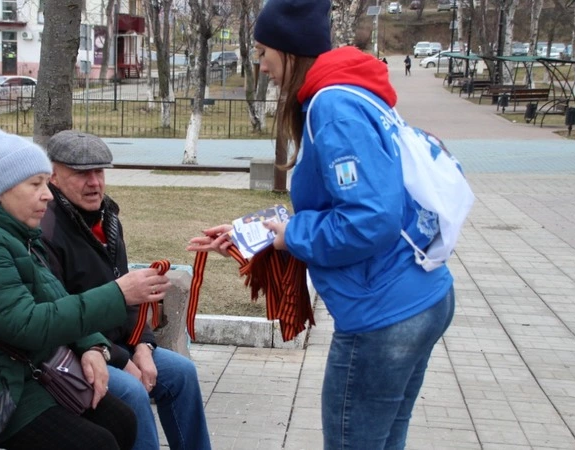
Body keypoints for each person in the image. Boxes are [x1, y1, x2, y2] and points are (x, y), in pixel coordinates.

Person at [187, 1, 455, 449]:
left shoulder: (333, 107)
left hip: (384, 313)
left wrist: (291, 235)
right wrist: (250, 230)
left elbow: (372, 218)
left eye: (262, 51)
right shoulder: (346, 93)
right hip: (415, 296)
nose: (261, 65)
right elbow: (342, 204)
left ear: (289, 49)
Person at [0, 128, 172, 450]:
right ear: (1, 190)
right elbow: (26, 324)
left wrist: (93, 347)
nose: (47, 194)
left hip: (14, 370)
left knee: (122, 419)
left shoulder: (13, 231)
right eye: (35, 184)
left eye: (46, 182)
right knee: (96, 443)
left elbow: (52, 293)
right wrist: (119, 293)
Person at [40, 130, 212, 450]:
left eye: (99, 172)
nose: (94, 182)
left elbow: (129, 291)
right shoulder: (46, 228)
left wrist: (143, 345)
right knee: (132, 393)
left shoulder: (109, 218)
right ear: (53, 174)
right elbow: (60, 311)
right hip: (75, 351)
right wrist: (121, 359)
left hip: (119, 344)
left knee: (182, 373)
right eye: (81, 173)